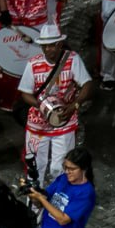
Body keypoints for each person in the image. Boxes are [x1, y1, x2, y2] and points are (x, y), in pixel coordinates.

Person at [18, 25, 93, 183]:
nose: (48, 50)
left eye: (51, 45)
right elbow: (25, 93)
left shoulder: (72, 59)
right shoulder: (33, 64)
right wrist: (43, 106)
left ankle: (58, 195)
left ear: (60, 44)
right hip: (38, 124)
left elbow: (87, 84)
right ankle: (35, 195)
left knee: (60, 167)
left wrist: (74, 105)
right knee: (35, 165)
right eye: (44, 46)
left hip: (65, 120)